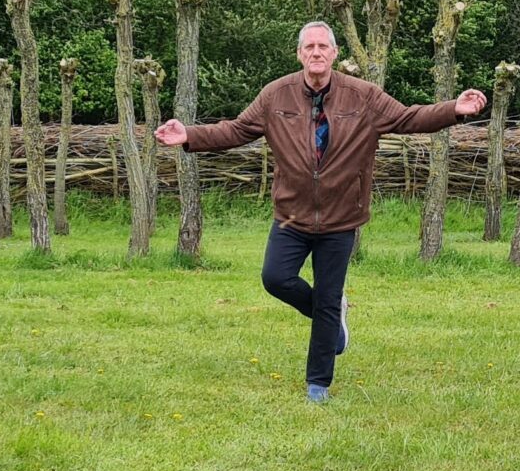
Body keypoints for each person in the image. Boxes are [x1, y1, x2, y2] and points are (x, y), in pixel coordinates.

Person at [156, 20, 486, 402]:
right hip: (291, 216)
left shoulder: (363, 96)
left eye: (322, 47)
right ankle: (333, 322)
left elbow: (408, 118)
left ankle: (318, 384)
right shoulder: (275, 96)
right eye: (309, 47)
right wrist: (189, 136)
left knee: (327, 298)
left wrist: (454, 109)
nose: (316, 52)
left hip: (341, 217)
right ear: (299, 54)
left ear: (334, 54)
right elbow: (237, 129)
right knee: (275, 278)